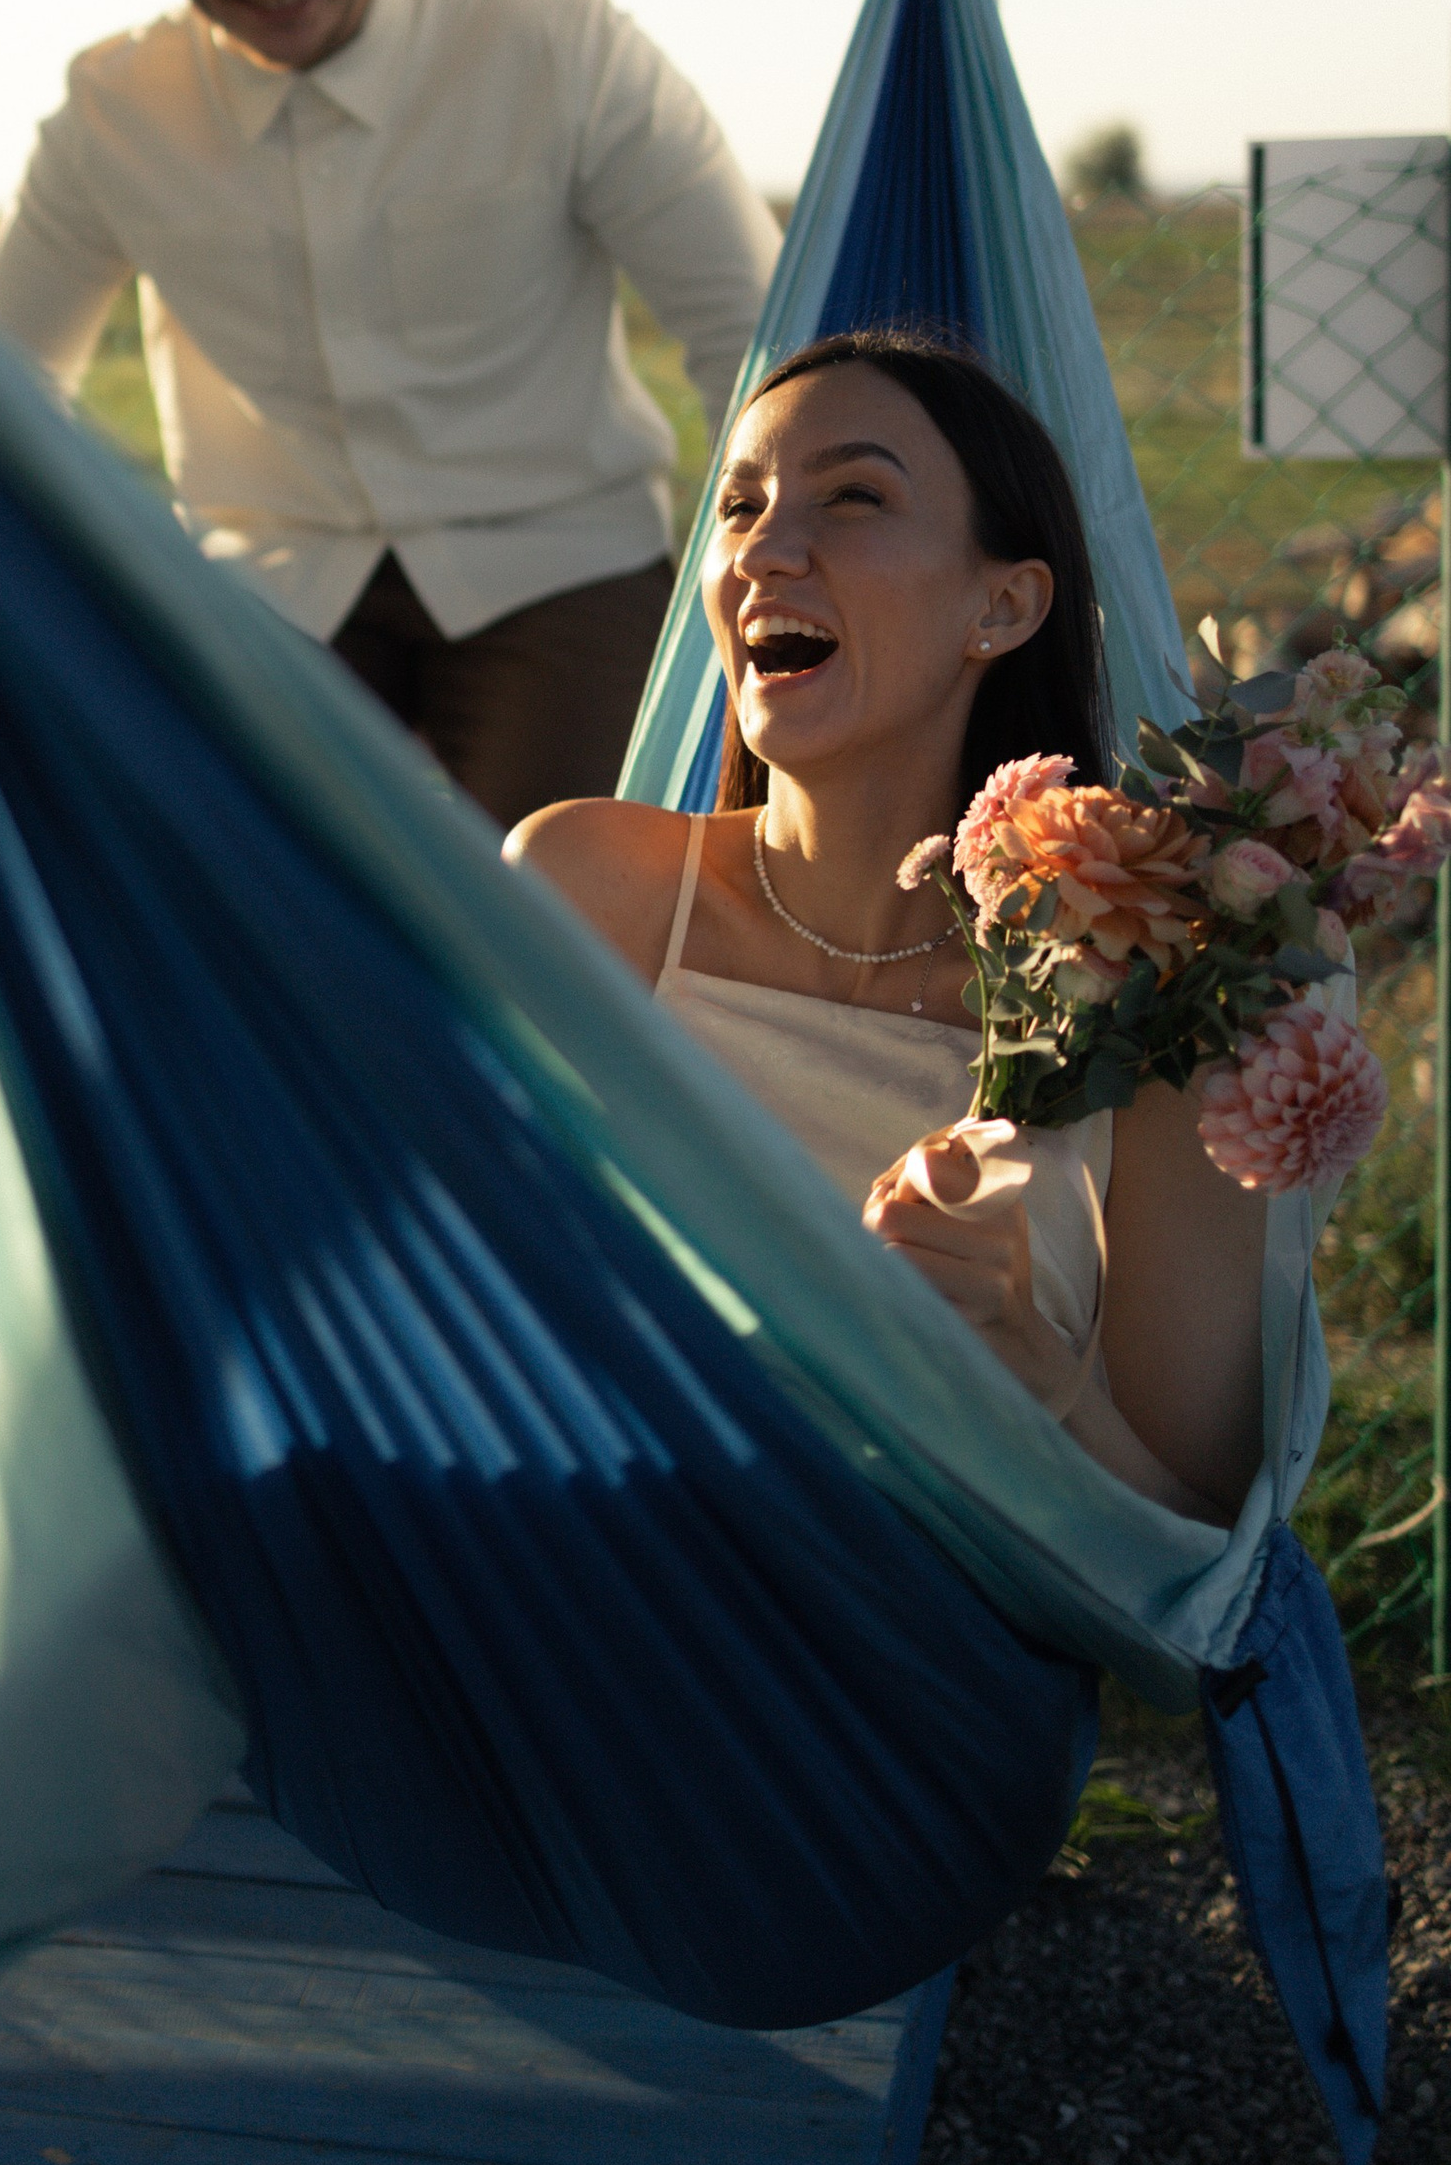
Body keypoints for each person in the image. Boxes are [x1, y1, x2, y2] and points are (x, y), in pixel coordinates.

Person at [508, 326, 1266, 1518]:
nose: (766, 549)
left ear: (1002, 605)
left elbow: (1194, 1552)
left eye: (852, 497)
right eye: (738, 507)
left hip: (933, 1619)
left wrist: (1033, 1377)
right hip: (592, 1557)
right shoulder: (586, 885)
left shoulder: (1157, 994)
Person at [0, 0, 778, 826]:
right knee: (216, 861)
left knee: (568, 892)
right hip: (274, 583)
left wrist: (763, 583)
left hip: (559, 558)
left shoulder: (562, 47)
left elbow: (757, 339)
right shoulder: (108, 113)